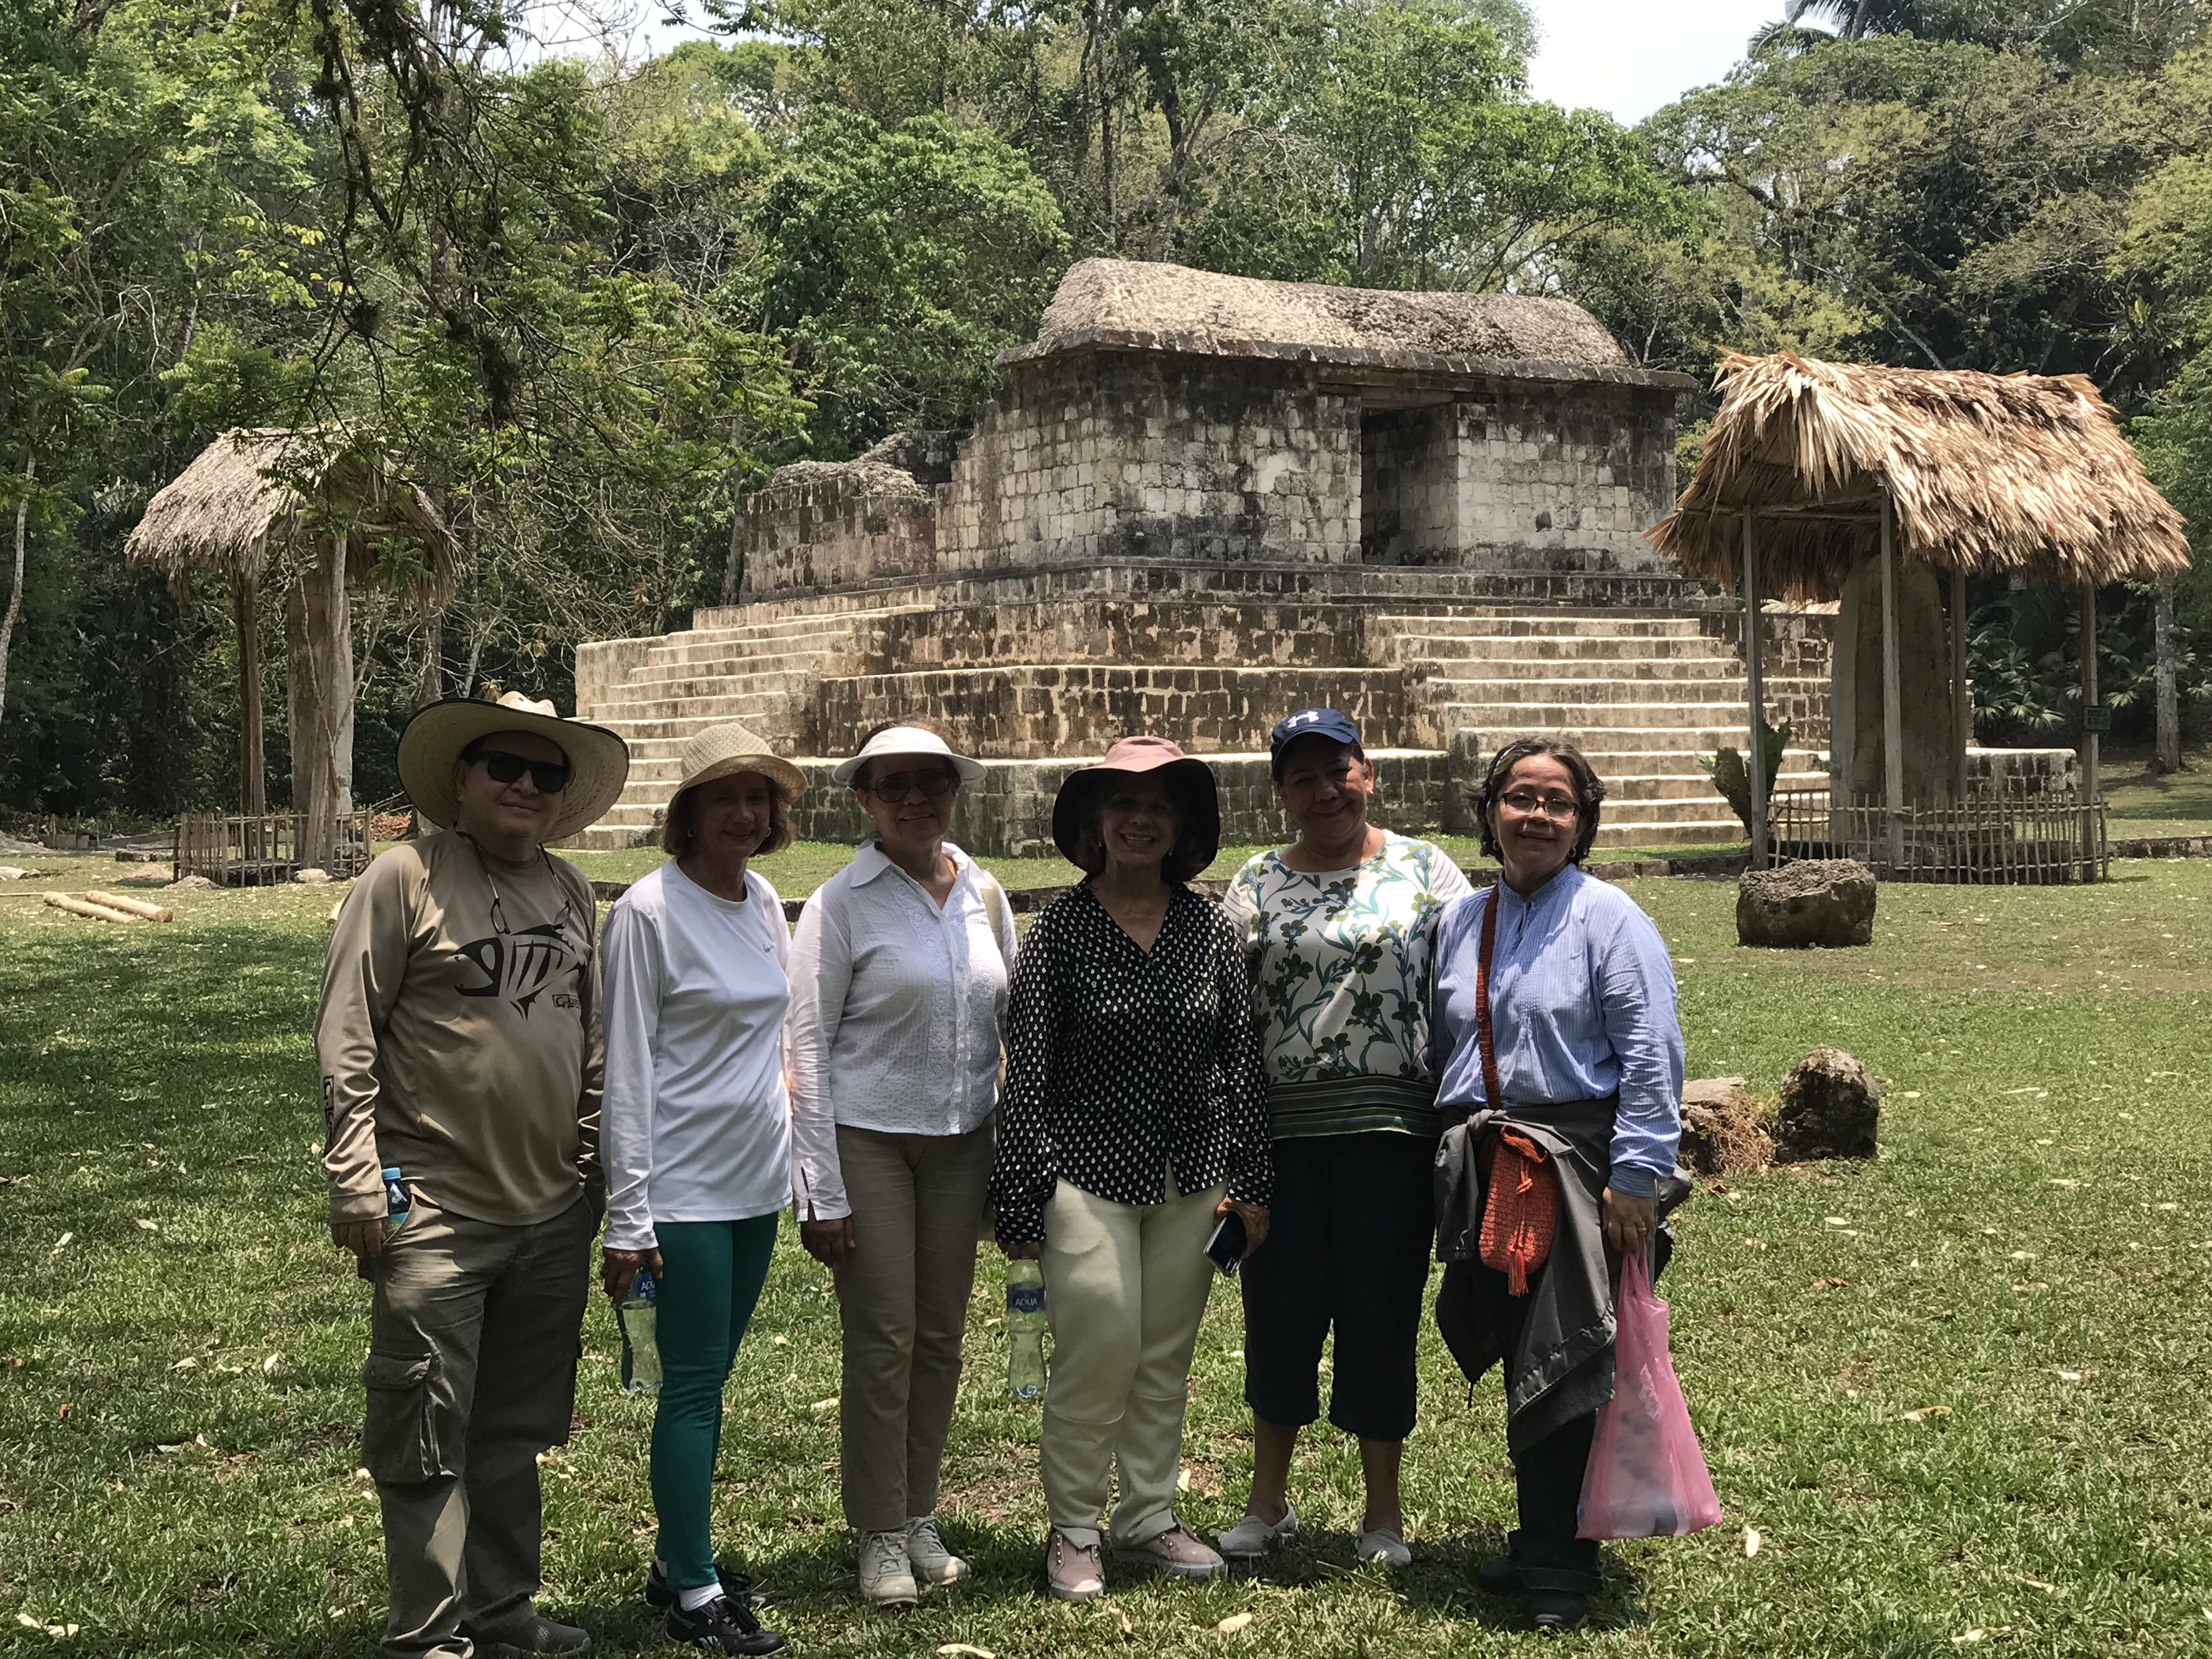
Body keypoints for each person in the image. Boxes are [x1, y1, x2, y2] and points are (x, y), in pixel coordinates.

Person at [319, 690, 629, 1659]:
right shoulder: (403, 878)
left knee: (512, 1433)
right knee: (422, 1435)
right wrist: (355, 1177)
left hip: (550, 1214)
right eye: (505, 765)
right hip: (434, 1211)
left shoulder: (575, 893)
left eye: (546, 774)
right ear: (462, 779)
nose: (526, 786)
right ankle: (429, 1634)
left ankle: (504, 1614)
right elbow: (347, 1034)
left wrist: (595, 1177)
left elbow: (589, 1048)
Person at [988, 735, 1273, 1602]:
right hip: (1085, 1173)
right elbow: (1027, 1073)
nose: (1139, 821)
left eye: (1157, 807)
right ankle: (1074, 1528)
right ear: (1094, 822)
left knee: (1163, 1357)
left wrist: (1253, 1183)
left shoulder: (1211, 930)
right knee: (1101, 1349)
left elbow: (1243, 1062)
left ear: (1180, 826)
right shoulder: (1059, 936)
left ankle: (1147, 1515)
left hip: (1192, 1172)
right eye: (1122, 805)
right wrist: (1021, 1195)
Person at [1427, 737, 1688, 1632]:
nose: (1537, 816)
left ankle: (1563, 1572)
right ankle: (1544, 1531)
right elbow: (1447, 1047)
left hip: (1579, 1169)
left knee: (1568, 1355)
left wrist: (1639, 1177)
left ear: (1583, 824)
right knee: (1521, 1346)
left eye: (1558, 803)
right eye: (1520, 798)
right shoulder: (1463, 922)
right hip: (1494, 1169)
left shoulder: (1611, 919)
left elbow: (1652, 1056)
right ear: (1489, 811)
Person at [1216, 709, 1472, 1571]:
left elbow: (1469, 994)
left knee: (1380, 1316)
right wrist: (1229, 1153)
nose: (1324, 791)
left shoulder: (1425, 869)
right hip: (1281, 1140)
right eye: (1302, 778)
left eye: (1339, 771)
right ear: (1280, 791)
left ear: (1368, 772)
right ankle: (1268, 1502)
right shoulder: (1254, 881)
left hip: (1394, 1135)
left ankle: (1384, 1515)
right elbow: (1226, 1020)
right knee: (1278, 1318)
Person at [786, 721, 1018, 1609]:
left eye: (934, 782)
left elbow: (1005, 1020)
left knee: (940, 1338)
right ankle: (879, 1529)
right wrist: (821, 1187)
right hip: (870, 1138)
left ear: (956, 791)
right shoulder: (843, 902)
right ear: (866, 801)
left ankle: (921, 1512)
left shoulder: (982, 893)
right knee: (883, 1340)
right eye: (896, 787)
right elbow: (805, 1044)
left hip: (963, 1138)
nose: (917, 800)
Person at [599, 724, 803, 1656]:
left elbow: (776, 1042)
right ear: (686, 814)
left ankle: (684, 1550)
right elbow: (629, 1072)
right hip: (681, 1191)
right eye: (724, 797)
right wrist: (628, 1215)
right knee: (691, 1390)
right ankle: (690, 1588)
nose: (744, 813)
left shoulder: (763, 900)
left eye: (758, 798)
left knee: (712, 1381)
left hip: (757, 1180)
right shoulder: (647, 912)